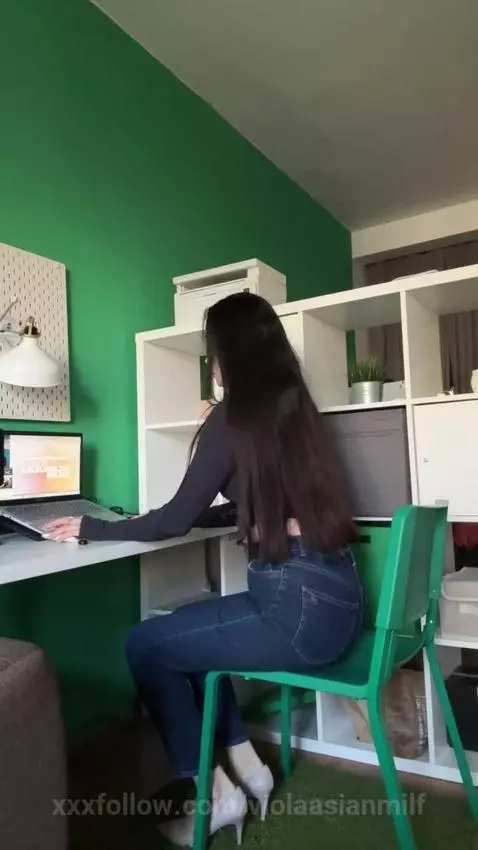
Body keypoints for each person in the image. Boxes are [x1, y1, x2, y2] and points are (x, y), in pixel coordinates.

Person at [47, 293, 363, 846]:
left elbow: (173, 520)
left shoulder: (234, 417)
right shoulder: (296, 409)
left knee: (146, 646)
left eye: (211, 350)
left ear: (226, 353)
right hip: (335, 597)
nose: (210, 362)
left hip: (294, 611)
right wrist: (175, 510)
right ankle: (247, 767)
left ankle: (213, 793)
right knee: (183, 635)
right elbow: (258, 500)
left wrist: (92, 526)